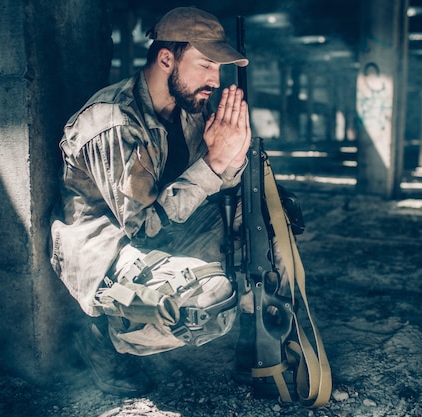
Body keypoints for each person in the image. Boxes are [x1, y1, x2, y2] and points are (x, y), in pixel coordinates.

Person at [50, 6, 252, 396]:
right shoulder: (113, 122)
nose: (215, 80)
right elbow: (141, 228)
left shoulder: (190, 108)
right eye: (206, 66)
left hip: (167, 228)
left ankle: (258, 336)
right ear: (166, 59)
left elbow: (214, 189)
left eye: (219, 69)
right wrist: (214, 163)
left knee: (267, 220)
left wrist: (234, 158)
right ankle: (105, 339)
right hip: (111, 247)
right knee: (207, 305)